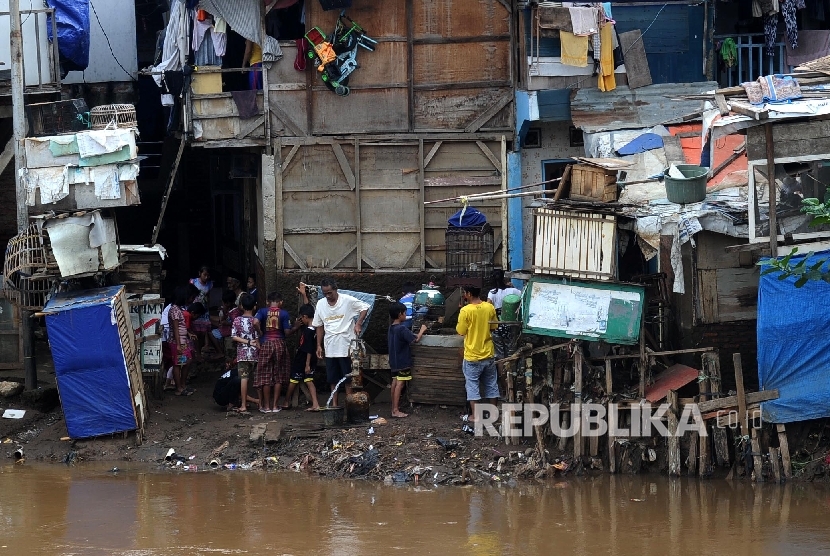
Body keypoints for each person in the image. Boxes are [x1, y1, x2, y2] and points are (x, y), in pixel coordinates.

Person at [311, 278, 370, 408]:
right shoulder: (321, 304)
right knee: (332, 378)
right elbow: (319, 325)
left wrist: (358, 323)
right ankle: (334, 404)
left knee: (348, 377)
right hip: (330, 345)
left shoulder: (347, 300)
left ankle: (349, 403)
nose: (327, 296)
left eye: (330, 293)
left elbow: (365, 307)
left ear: (335, 289)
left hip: (346, 345)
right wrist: (318, 345)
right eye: (325, 293)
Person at [456, 284, 499, 423]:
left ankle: (475, 416)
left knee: (472, 385)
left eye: (464, 293)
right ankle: (493, 414)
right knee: (491, 383)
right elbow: (494, 326)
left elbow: (461, 332)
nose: (463, 295)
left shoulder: (465, 311)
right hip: (488, 353)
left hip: (472, 356)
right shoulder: (489, 307)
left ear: (468, 294)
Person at [254, 291, 292, 413]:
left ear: (267, 302)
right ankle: (275, 406)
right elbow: (287, 332)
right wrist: (295, 327)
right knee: (278, 375)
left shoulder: (262, 311)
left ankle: (266, 406)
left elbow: (255, 322)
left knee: (265, 375)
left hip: (266, 343)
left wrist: (260, 333)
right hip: (279, 343)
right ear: (281, 302)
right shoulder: (284, 313)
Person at [387, 301, 427, 418]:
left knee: (394, 383)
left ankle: (393, 409)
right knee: (400, 384)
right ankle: (396, 410)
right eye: (405, 313)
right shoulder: (402, 329)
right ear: (400, 314)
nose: (406, 315)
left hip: (394, 362)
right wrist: (422, 330)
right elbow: (415, 339)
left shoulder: (391, 328)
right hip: (403, 362)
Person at [285, 304, 321, 411]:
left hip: (304, 358)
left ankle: (286, 401)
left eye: (302, 318)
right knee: (309, 380)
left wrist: (307, 364)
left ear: (305, 317)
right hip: (311, 358)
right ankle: (315, 404)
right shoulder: (315, 329)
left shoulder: (308, 332)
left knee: (293, 380)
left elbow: (309, 348)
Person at [164, 286, 196, 397]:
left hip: (181, 340)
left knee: (185, 361)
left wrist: (188, 334)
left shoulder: (177, 309)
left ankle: (182, 385)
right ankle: (179, 387)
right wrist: (178, 344)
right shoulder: (174, 310)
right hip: (178, 342)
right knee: (178, 364)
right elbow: (176, 328)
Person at [231, 293, 259, 414]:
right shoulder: (256, 321)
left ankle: (243, 405)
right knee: (257, 380)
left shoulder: (237, 320)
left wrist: (246, 342)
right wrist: (252, 343)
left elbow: (233, 337)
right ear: (255, 307)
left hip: (242, 354)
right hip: (255, 354)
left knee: (244, 379)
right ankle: (262, 403)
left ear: (241, 306)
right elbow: (259, 337)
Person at [189, 266, 214, 360]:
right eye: (204, 275)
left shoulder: (209, 285)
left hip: (203, 310)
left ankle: (200, 349)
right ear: (200, 273)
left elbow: (208, 297)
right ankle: (197, 352)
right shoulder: (193, 282)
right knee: (195, 331)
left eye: (208, 275)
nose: (206, 277)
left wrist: (208, 307)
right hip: (195, 310)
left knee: (203, 332)